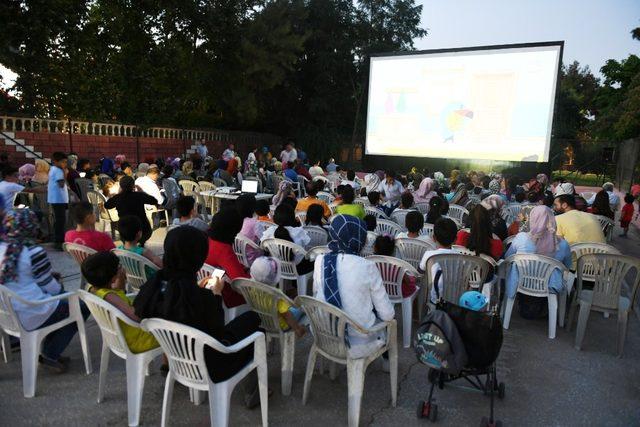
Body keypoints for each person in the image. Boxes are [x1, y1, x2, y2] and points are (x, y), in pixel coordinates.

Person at [133, 226, 263, 407]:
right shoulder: (201, 299)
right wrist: (216, 295)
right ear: (197, 258)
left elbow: (177, 306)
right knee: (254, 322)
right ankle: (253, 392)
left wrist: (196, 289)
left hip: (177, 356)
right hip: (210, 364)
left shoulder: (155, 287)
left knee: (248, 320)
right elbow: (217, 330)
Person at [0, 209, 89, 371]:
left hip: (7, 315)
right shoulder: (33, 252)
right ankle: (50, 353)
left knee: (63, 305)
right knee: (81, 307)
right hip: (32, 313)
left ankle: (48, 346)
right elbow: (53, 290)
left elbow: (17, 278)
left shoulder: (3, 248)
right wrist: (55, 281)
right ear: (32, 227)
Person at [312, 215, 394, 358]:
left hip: (325, 334)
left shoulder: (320, 260)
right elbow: (388, 314)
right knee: (386, 320)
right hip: (358, 343)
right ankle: (387, 363)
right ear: (359, 238)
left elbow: (317, 295)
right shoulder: (367, 266)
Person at [82, 252, 159, 353]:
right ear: (113, 278)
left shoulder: (92, 288)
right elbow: (136, 317)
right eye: (119, 267)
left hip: (118, 337)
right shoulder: (110, 297)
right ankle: (168, 364)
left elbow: (119, 291)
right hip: (139, 340)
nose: (121, 268)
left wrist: (120, 278)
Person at [504, 206, 572, 316]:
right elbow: (567, 266)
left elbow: (508, 257)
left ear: (532, 219)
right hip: (549, 287)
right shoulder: (563, 244)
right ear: (552, 220)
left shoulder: (522, 238)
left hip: (522, 283)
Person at [250, 257, 306, 338]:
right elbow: (287, 315)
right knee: (301, 307)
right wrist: (297, 329)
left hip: (264, 321)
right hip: (281, 325)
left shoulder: (250, 286)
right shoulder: (275, 294)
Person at [205, 207, 249, 308]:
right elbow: (240, 282)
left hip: (208, 286)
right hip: (226, 296)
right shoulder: (224, 249)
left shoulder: (207, 239)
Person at [104, 176, 158, 246]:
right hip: (142, 229)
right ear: (133, 186)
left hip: (125, 230)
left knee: (124, 226)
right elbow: (154, 201)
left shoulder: (118, 197)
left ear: (120, 186)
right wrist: (142, 191)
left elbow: (107, 205)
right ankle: (141, 244)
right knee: (145, 226)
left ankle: (128, 246)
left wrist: (118, 194)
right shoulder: (139, 195)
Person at [261, 204, 313, 274]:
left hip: (277, 264)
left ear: (275, 217)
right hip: (297, 267)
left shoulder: (270, 231)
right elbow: (306, 246)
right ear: (292, 217)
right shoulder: (299, 232)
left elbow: (262, 246)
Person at [419, 218, 460, 303]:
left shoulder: (428, 255)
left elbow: (420, 272)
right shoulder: (461, 257)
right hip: (455, 300)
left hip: (435, 299)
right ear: (455, 239)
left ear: (434, 238)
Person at [48, 152, 70, 250]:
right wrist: (65, 174)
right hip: (58, 199)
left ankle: (58, 240)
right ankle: (59, 242)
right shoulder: (58, 171)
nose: (64, 164)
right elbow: (61, 184)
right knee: (60, 220)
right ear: (55, 161)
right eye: (62, 162)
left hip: (56, 198)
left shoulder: (53, 169)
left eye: (65, 162)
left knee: (59, 220)